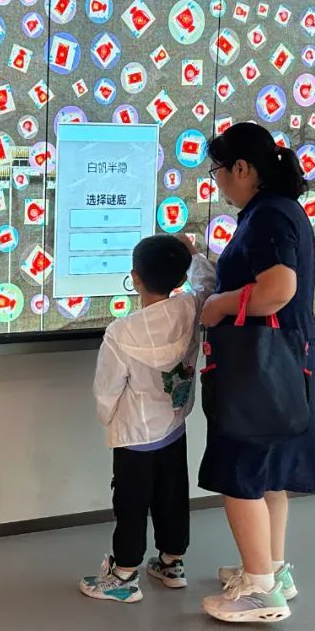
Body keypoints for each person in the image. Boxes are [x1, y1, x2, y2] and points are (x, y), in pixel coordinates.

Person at [197, 122, 315, 624]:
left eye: (217, 171)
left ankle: (259, 593)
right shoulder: (281, 209)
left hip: (261, 363)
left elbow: (277, 290)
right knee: (271, 473)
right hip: (285, 359)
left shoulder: (267, 216)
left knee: (241, 472)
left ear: (241, 168)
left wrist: (217, 305)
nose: (217, 183)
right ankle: (272, 570)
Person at [80, 233, 216, 603]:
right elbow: (209, 283)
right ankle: (171, 563)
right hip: (173, 426)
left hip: (134, 435)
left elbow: (106, 390)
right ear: (180, 277)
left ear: (135, 277)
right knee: (173, 494)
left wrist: (108, 419)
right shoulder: (191, 307)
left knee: (131, 503)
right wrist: (194, 253)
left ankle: (124, 574)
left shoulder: (121, 331)